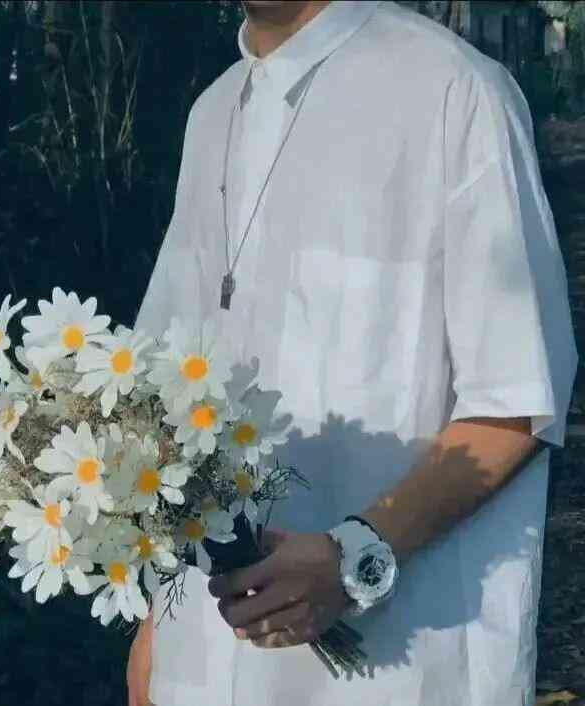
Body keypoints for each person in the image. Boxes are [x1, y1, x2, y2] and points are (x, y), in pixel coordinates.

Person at [129, 1, 578, 705]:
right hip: (208, 661)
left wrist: (353, 556)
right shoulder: (214, 113)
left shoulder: (452, 91)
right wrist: (159, 623)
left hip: (400, 668)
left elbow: (518, 398)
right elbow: (170, 400)